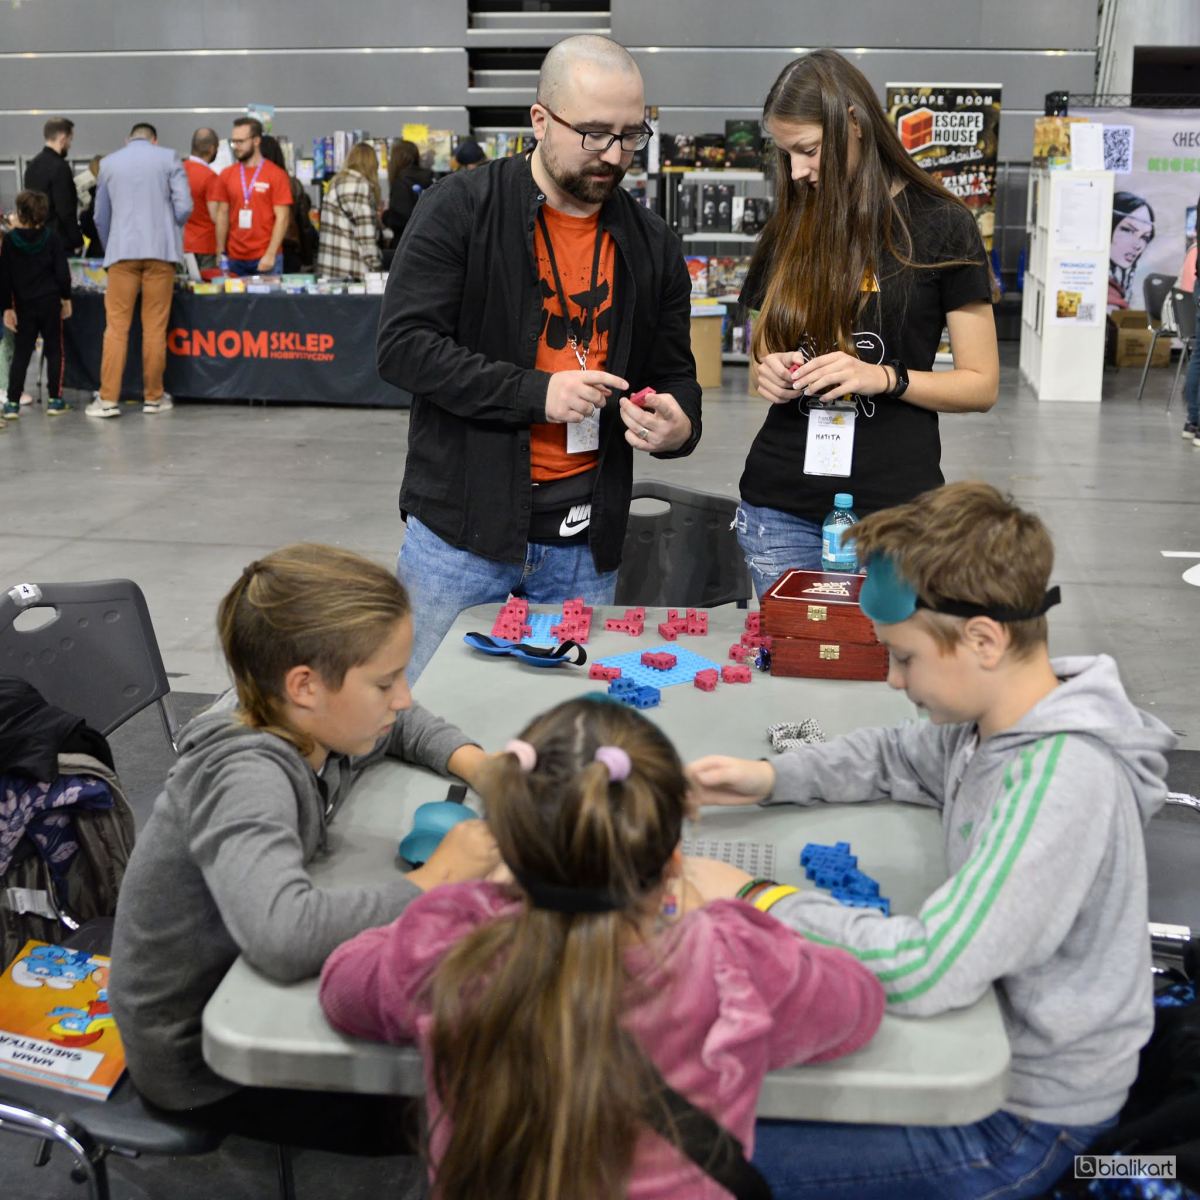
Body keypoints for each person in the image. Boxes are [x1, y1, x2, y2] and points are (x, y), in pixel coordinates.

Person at [686, 481, 1176, 1200]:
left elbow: (927, 969)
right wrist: (767, 777)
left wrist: (755, 897)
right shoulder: (992, 721)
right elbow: (895, 756)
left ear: (983, 639)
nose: (891, 680)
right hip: (983, 1051)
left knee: (681, 1163)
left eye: (905, 659)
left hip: (1018, 1120)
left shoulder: (1060, 779)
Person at [320, 695, 884, 1199]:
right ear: (673, 861)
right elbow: (858, 1002)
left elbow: (343, 985)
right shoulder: (731, 959)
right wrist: (748, 897)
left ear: (507, 846)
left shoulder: (448, 942)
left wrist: (464, 895)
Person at [109, 543, 498, 1137]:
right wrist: (437, 878)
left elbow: (402, 724)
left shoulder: (305, 719)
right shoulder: (246, 775)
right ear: (305, 686)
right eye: (385, 682)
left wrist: (481, 766)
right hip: (204, 1060)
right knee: (491, 1090)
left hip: (245, 992)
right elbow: (284, 937)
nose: (401, 698)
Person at [377, 34, 702, 683]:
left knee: (564, 724)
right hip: (460, 538)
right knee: (421, 709)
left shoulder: (653, 244)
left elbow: (674, 373)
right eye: (594, 134)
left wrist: (679, 423)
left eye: (631, 136)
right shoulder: (461, 209)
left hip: (583, 547)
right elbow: (404, 347)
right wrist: (536, 393)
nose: (614, 155)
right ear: (540, 119)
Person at [735, 50, 998, 594]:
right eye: (785, 154)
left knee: (887, 649)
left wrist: (881, 377)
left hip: (896, 514)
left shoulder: (943, 224)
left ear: (853, 123)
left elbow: (981, 385)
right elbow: (763, 349)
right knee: (791, 649)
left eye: (808, 150)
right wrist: (769, 370)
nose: (796, 171)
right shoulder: (792, 220)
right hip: (780, 508)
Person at [90, 122, 192, 419]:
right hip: (160, 254)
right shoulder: (169, 158)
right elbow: (185, 206)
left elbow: (100, 216)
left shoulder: (109, 164)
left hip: (122, 254)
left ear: (128, 139)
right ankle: (154, 398)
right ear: (154, 140)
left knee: (116, 328)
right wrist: (169, 227)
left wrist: (112, 245)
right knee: (155, 328)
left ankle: (108, 400)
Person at [0, 190, 71, 417]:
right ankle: (55, 399)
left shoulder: (10, 241)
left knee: (21, 353)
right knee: (54, 349)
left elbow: (4, 277)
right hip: (50, 302)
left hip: (24, 305)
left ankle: (12, 402)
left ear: (21, 212)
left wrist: (7, 308)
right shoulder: (52, 238)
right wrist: (66, 298)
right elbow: (62, 273)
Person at [213, 117, 292, 277]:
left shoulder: (276, 175)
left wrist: (271, 253)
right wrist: (220, 249)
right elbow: (222, 213)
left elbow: (282, 217)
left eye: (241, 141)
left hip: (266, 256)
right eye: (233, 142)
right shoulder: (227, 174)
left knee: (268, 295)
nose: (236, 147)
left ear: (256, 141)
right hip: (234, 257)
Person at [315, 141, 382, 281]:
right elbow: (366, 234)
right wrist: (376, 265)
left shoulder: (335, 182)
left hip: (330, 267)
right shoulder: (360, 185)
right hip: (353, 269)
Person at [24, 116, 82, 255]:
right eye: (70, 140)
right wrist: (77, 240)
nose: (70, 145)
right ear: (63, 138)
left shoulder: (32, 166)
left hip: (35, 241)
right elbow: (65, 210)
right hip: (59, 243)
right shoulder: (60, 168)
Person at [260, 134, 314, 273]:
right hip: (288, 247)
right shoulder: (292, 183)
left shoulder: (251, 184)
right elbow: (303, 224)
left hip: (258, 246)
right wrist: (308, 258)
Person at [1107, 192, 1155, 312]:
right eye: (1128, 230)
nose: (1137, 245)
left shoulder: (1118, 288)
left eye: (1144, 237)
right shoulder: (1092, 284)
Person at [183, 127, 221, 270]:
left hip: (181, 243)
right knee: (206, 283)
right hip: (205, 246)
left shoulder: (177, 171)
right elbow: (215, 216)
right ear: (212, 149)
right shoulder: (210, 177)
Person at [382, 138, 433, 243]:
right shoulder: (429, 178)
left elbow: (401, 219)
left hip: (406, 241)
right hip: (427, 239)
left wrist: (384, 216)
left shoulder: (400, 182)